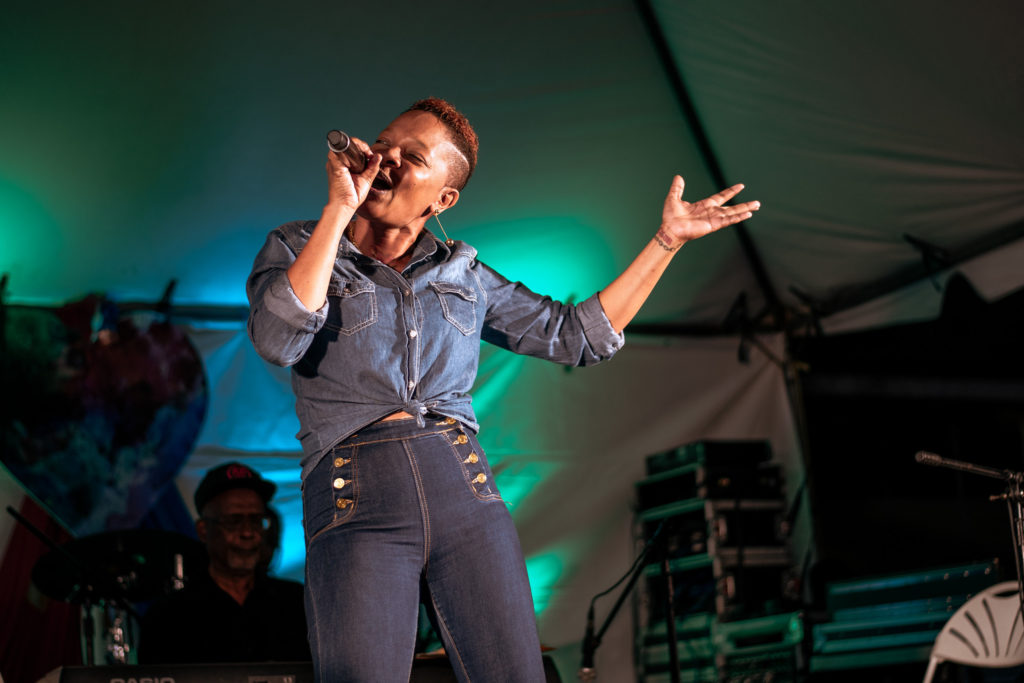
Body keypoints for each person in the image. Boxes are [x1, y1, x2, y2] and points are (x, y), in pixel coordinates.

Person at [246, 97, 759, 682]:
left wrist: (666, 241)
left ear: (443, 200)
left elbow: (575, 336)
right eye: (384, 143)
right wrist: (339, 211)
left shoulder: (464, 273)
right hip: (355, 497)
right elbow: (276, 339)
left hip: (464, 494)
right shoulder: (299, 245)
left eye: (413, 157)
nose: (387, 159)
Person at [138, 462, 310, 663]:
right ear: (203, 531)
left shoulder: (296, 603)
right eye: (233, 521)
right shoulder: (168, 617)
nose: (248, 533)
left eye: (256, 520)